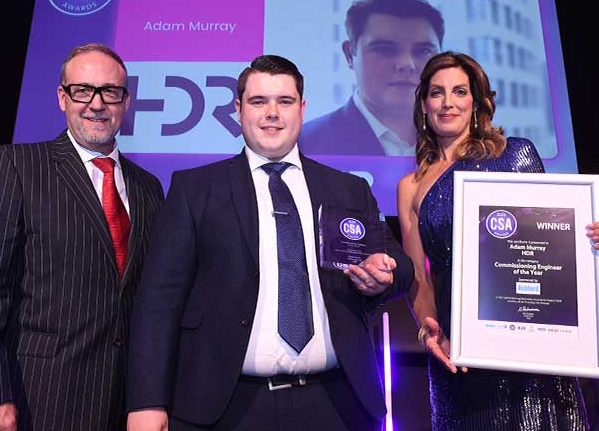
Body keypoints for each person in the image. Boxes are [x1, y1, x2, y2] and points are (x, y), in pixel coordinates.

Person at [126, 55, 414, 431]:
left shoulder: (347, 188)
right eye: (259, 101)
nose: (272, 113)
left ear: (303, 108)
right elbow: (158, 302)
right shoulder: (194, 190)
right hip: (225, 407)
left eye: (285, 101)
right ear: (238, 109)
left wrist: (386, 274)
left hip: (335, 403)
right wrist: (147, 402)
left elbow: (399, 264)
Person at [397, 51, 599, 430]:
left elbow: (550, 246)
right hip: (459, 354)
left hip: (530, 347)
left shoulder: (515, 155)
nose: (448, 102)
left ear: (476, 102)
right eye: (437, 93)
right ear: (424, 104)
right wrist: (428, 331)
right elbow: (419, 279)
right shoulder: (411, 187)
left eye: (460, 91)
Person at [0, 43, 164, 431]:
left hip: (123, 406)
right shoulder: (16, 165)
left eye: (110, 92)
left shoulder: (149, 189)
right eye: (83, 90)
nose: (97, 104)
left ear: (126, 101)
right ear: (62, 97)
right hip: (36, 400)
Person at [299, 0, 444, 156]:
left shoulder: (467, 144)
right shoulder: (303, 145)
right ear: (349, 55)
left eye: (423, 51)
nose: (406, 64)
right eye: (384, 49)